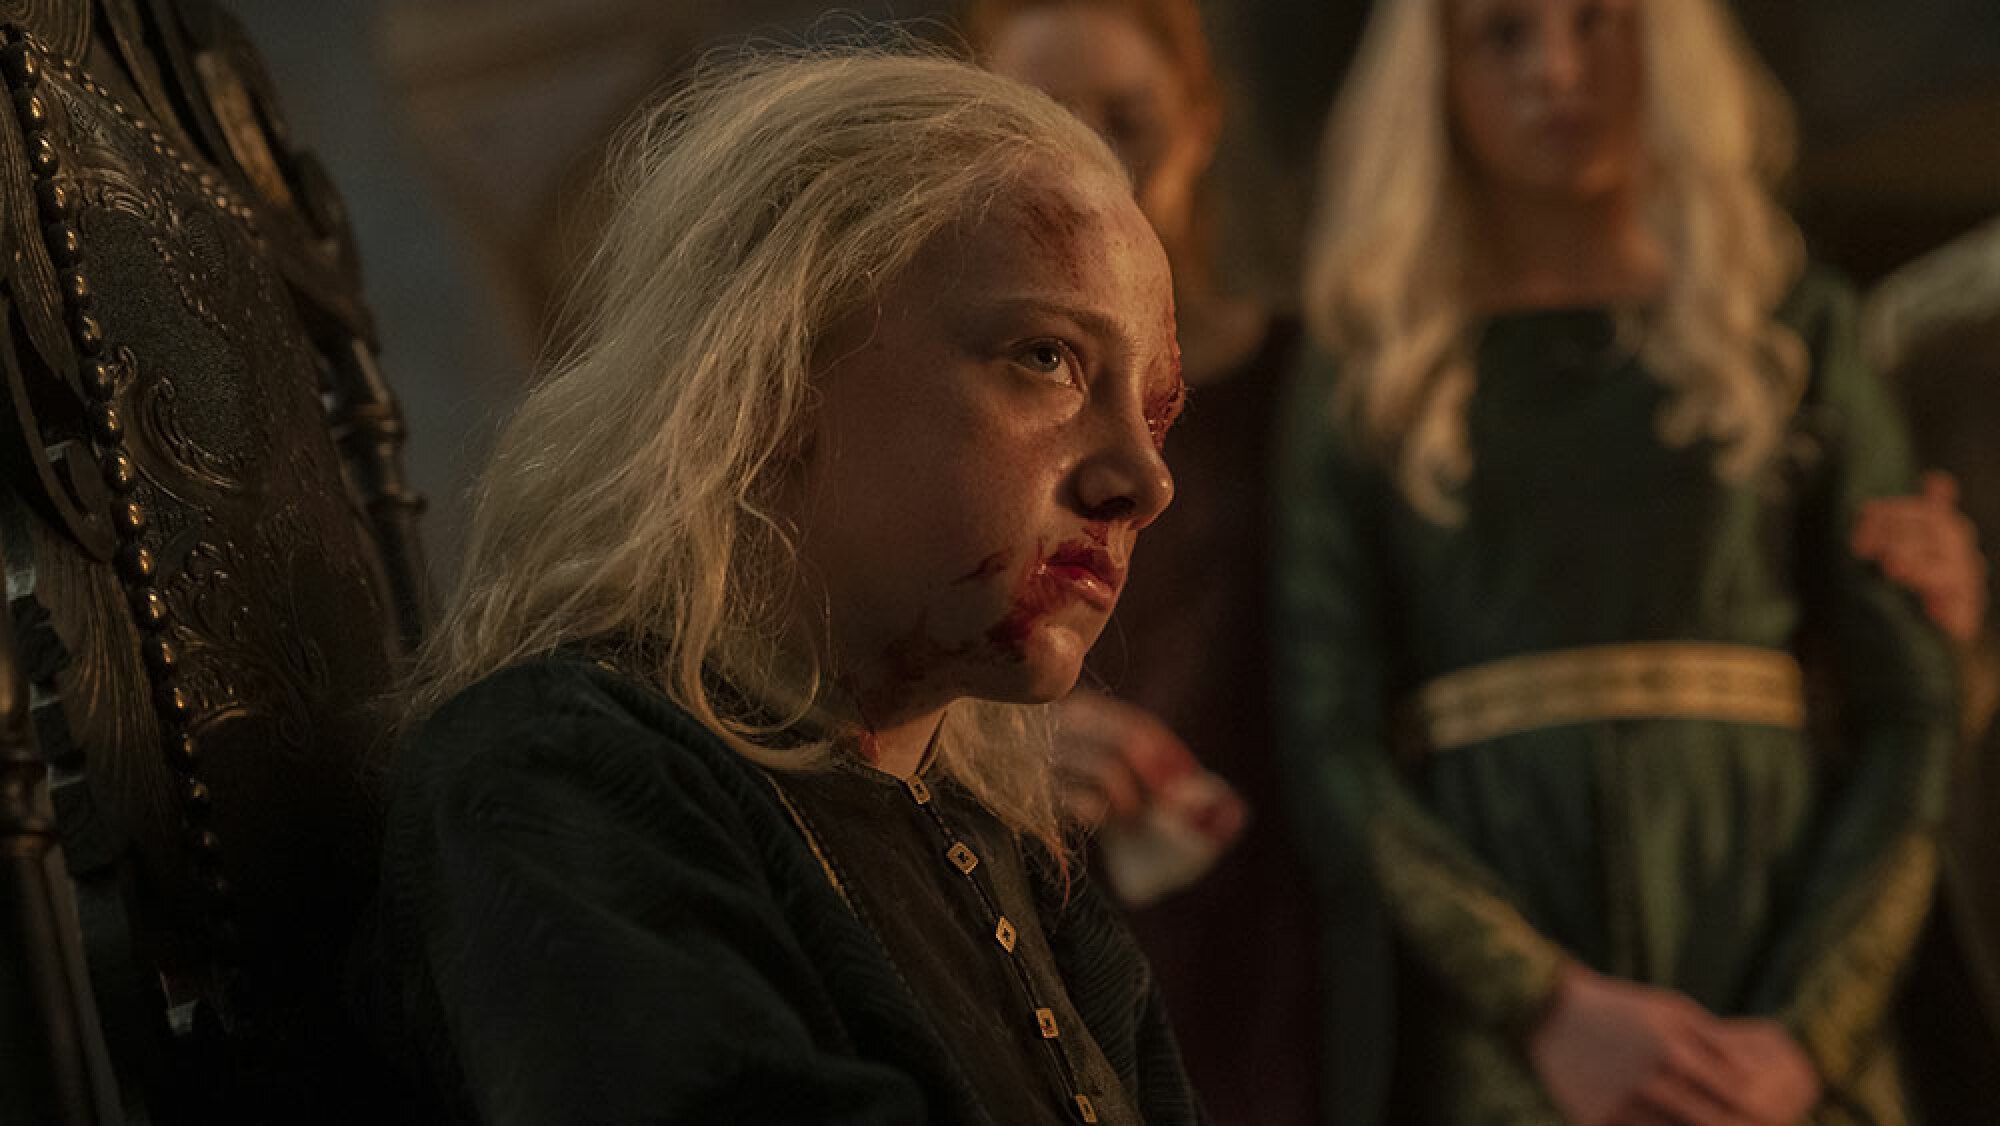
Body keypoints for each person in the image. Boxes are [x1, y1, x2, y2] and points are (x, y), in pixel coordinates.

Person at [361, 47, 1206, 1126]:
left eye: (1155, 410)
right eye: (1045, 357)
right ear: (769, 371)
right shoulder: (552, 777)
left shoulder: (1023, 870)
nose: (1142, 479)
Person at [1276, 0, 1961, 1122]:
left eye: (1597, 21)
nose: (1555, 69)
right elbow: (1329, 747)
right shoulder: (1367, 368)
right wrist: (1544, 1005)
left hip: (1775, 957)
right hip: (1507, 1020)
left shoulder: (1795, 330)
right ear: (1432, 73)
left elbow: (1911, 710)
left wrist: (1807, 1032)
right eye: (1501, 33)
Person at [968, 2, 1318, 1121]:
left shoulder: (1298, 378)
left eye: (1126, 120)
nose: (1091, 168)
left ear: (1199, 124)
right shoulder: (947, 398)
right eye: (1044, 124)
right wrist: (999, 743)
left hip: (1270, 911)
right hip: (1030, 889)